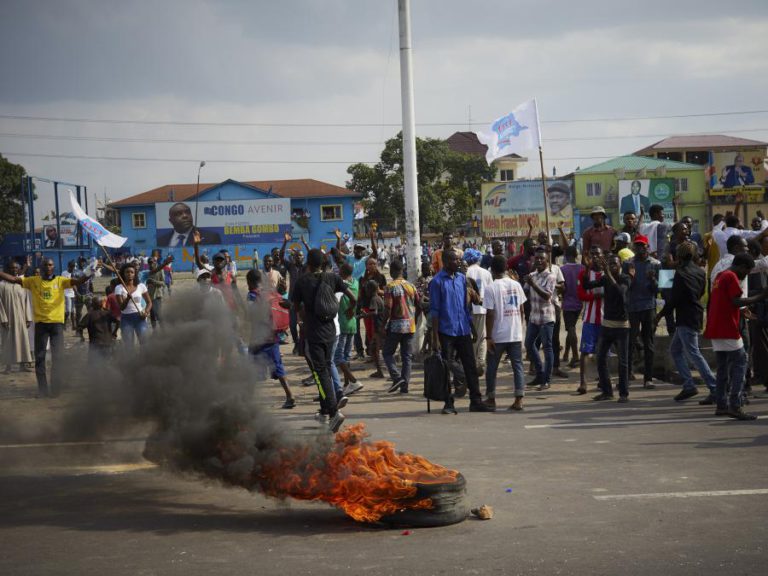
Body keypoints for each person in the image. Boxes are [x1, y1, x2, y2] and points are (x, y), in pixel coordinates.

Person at [0, 257, 97, 397]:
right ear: (41, 266)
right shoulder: (33, 280)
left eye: (50, 265)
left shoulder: (60, 281)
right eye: (45, 265)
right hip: (41, 325)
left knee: (58, 357)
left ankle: (56, 389)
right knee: (40, 358)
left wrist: (89, 272)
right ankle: (42, 390)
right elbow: (14, 279)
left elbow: (78, 281)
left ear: (54, 267)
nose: (48, 267)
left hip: (57, 325)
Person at [292, 248, 357, 433]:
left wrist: (304, 318)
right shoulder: (333, 278)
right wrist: (351, 310)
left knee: (320, 374)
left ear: (308, 264)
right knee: (326, 368)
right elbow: (353, 297)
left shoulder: (302, 282)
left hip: (314, 333)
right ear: (323, 263)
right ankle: (324, 411)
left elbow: (296, 307)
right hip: (331, 332)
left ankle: (334, 411)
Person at [705, 253, 768, 420]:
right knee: (741, 361)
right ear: (741, 266)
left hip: (715, 327)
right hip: (727, 327)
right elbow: (736, 301)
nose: (745, 275)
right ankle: (735, 405)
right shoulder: (731, 276)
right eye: (746, 272)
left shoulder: (720, 275)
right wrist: (761, 296)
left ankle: (721, 405)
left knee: (723, 367)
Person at [430, 249, 494, 414]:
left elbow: (466, 308)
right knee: (446, 368)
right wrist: (435, 338)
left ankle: (476, 400)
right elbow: (435, 312)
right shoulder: (437, 282)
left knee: (470, 366)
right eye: (455, 260)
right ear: (445, 261)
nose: (458, 262)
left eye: (459, 259)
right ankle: (448, 402)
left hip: (463, 329)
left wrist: (470, 326)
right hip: (446, 331)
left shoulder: (461, 279)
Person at [656, 242, 717, 403]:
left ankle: (714, 387)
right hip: (695, 314)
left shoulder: (680, 273)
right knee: (675, 350)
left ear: (679, 256)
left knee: (694, 353)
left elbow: (672, 300)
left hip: (685, 317)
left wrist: (658, 316)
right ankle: (689, 385)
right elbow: (702, 292)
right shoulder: (699, 271)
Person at [584, 254, 631, 402]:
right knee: (601, 358)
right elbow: (587, 286)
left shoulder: (625, 278)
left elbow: (621, 293)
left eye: (614, 264)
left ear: (620, 265)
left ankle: (623, 394)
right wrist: (587, 268)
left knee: (623, 361)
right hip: (607, 325)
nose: (611, 266)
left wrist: (609, 274)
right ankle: (607, 391)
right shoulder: (605, 278)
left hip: (621, 326)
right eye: (609, 264)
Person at [245, 269, 295, 409]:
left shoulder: (252, 295)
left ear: (249, 282)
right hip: (272, 337)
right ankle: (290, 396)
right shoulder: (270, 293)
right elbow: (286, 305)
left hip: (258, 338)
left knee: (250, 367)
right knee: (279, 368)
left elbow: (251, 314)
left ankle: (248, 400)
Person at [484, 255, 527, 411]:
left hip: (498, 335)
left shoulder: (490, 288)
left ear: (492, 270)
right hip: (514, 333)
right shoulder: (516, 285)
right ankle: (519, 399)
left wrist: (488, 337)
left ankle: (491, 398)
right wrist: (519, 328)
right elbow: (522, 310)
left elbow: (490, 314)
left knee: (492, 367)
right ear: (506, 268)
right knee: (518, 366)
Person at [624, 234, 660, 389]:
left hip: (649, 307)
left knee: (649, 343)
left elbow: (659, 289)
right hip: (632, 307)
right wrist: (630, 278)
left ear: (647, 247)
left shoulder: (656, 264)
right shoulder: (628, 264)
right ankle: (627, 374)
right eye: (637, 246)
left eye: (642, 246)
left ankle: (648, 378)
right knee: (630, 342)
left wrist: (653, 280)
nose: (640, 248)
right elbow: (625, 287)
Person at [382, 259, 419, 394]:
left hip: (396, 326)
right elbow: (418, 305)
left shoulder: (390, 287)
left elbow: (387, 308)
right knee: (406, 357)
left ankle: (396, 377)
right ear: (402, 271)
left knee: (387, 353)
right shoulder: (411, 286)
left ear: (392, 271)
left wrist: (382, 325)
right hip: (410, 326)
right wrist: (414, 319)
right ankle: (405, 386)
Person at [524, 251, 558, 391]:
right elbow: (525, 291)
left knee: (547, 347)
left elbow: (547, 296)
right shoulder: (532, 275)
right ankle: (539, 373)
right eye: (536, 258)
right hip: (534, 316)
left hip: (546, 317)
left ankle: (547, 380)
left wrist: (532, 284)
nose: (538, 261)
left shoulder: (550, 276)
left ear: (546, 261)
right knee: (529, 344)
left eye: (541, 258)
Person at [576, 246, 604, 395]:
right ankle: (583, 381)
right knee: (585, 351)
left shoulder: (607, 273)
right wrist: (595, 297)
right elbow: (580, 294)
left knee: (602, 351)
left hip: (606, 319)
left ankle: (602, 380)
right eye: (592, 255)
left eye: (597, 254)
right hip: (590, 318)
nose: (595, 257)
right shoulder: (584, 274)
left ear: (602, 256)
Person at [0, 260, 33, 373]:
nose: (14, 270)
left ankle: (23, 365)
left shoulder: (22, 285)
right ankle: (8, 366)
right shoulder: (2, 285)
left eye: (16, 268)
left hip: (20, 318)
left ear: (19, 270)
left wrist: (28, 318)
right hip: (7, 318)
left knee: (22, 340)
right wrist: (3, 318)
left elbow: (26, 301)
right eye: (12, 268)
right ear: (8, 270)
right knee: (7, 341)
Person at [464, 248, 492, 377]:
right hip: (482, 308)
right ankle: (480, 362)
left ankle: (474, 363)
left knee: (471, 338)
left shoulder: (465, 272)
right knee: (481, 337)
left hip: (468, 309)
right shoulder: (486, 272)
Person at [336, 263, 362, 397]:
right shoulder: (356, 282)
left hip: (342, 323)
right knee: (346, 356)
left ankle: (352, 380)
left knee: (338, 356)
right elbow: (356, 299)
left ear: (342, 270)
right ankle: (347, 384)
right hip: (352, 323)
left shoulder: (340, 284)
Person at [114, 262, 152, 347]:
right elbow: (122, 308)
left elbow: (149, 302)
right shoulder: (119, 288)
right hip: (126, 319)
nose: (129, 274)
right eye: (127, 272)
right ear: (123, 274)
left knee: (144, 342)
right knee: (129, 345)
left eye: (132, 272)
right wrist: (127, 298)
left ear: (135, 274)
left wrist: (146, 312)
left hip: (140, 317)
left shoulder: (141, 286)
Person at [560, 245, 584, 369]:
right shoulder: (582, 268)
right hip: (579, 303)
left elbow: (561, 288)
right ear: (576, 255)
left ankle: (575, 356)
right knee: (571, 328)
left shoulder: (562, 269)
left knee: (571, 329)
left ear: (566, 255)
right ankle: (566, 354)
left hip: (568, 303)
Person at [156, 202, 221, 246]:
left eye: (188, 212)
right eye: (179, 214)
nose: (185, 216)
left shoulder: (210, 238)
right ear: (171, 221)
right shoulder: (161, 241)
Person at [77, 296, 116, 361]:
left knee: (93, 364)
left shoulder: (89, 315)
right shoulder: (107, 313)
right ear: (102, 304)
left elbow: (79, 327)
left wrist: (82, 337)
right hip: (107, 342)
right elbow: (117, 321)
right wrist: (114, 332)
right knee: (107, 363)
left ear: (92, 305)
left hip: (95, 344)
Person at [146, 254, 173, 329]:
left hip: (157, 296)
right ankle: (154, 331)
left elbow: (163, 283)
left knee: (159, 314)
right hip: (149, 296)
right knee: (152, 315)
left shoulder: (160, 271)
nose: (151, 264)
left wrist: (153, 281)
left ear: (155, 262)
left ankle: (163, 330)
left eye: (152, 262)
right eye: (149, 263)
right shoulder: (147, 272)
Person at [61, 260, 77, 330]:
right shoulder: (64, 273)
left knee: (73, 311)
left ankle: (73, 326)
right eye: (71, 267)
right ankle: (64, 324)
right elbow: (62, 283)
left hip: (72, 294)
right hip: (66, 293)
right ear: (68, 267)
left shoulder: (74, 273)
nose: (72, 268)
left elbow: (76, 283)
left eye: (73, 267)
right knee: (68, 311)